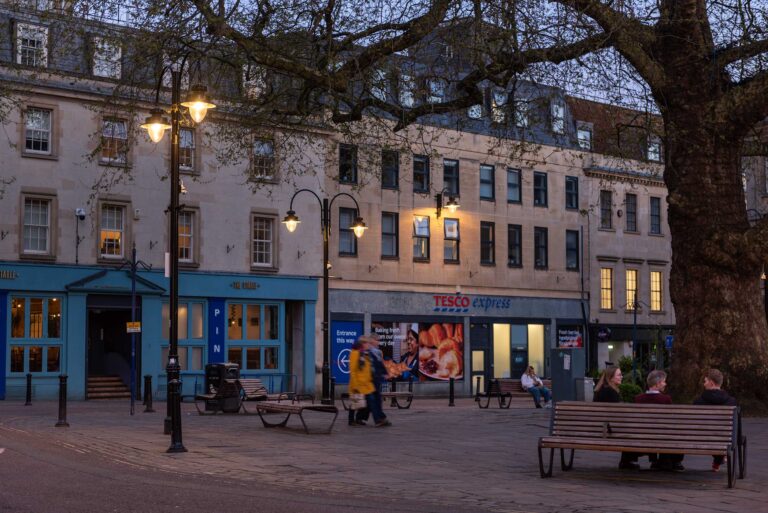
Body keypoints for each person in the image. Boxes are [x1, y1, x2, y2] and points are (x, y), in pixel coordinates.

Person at [635, 370, 684, 471]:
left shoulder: (638, 399)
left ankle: (654, 461)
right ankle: (671, 461)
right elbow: (671, 420)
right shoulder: (665, 399)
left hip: (642, 435)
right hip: (663, 435)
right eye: (664, 381)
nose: (665, 384)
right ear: (657, 384)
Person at [593, 366, 638, 469]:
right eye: (619, 375)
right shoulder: (611, 392)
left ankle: (627, 460)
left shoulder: (598, 390)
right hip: (607, 430)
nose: (621, 377)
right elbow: (617, 416)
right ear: (610, 378)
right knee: (631, 431)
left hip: (597, 428)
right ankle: (627, 461)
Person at [693, 368, 736, 472]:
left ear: (711, 383)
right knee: (720, 435)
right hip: (725, 439)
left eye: (705, 381)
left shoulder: (698, 402)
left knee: (710, 433)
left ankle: (718, 459)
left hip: (699, 438)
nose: (704, 384)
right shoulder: (731, 401)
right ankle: (718, 459)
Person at [365, 334, 392, 427]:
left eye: (378, 340)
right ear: (372, 341)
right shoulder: (367, 352)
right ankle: (378, 419)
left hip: (376, 380)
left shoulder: (377, 352)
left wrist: (385, 373)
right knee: (372, 401)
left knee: (377, 400)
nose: (378, 342)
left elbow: (380, 364)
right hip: (369, 381)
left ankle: (381, 418)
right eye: (377, 340)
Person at [347, 338, 372, 426]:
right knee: (354, 403)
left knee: (361, 403)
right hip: (356, 383)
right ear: (362, 344)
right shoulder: (355, 353)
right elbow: (353, 370)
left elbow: (365, 369)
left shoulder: (363, 354)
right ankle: (351, 420)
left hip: (363, 384)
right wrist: (355, 385)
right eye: (366, 343)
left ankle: (358, 419)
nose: (368, 345)